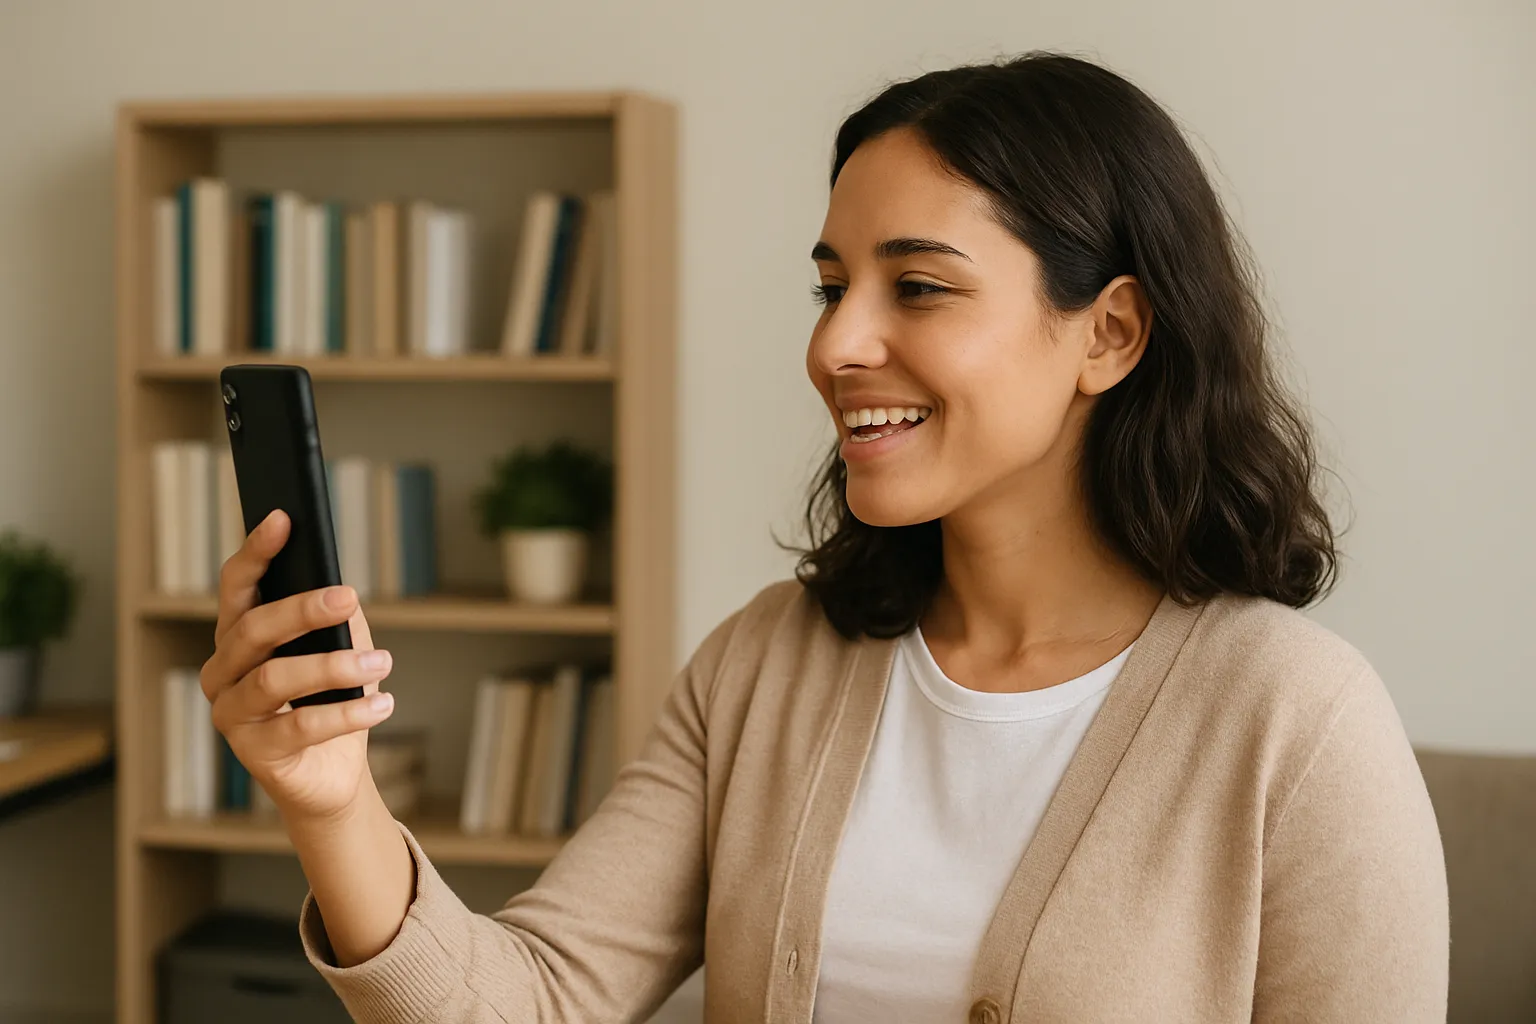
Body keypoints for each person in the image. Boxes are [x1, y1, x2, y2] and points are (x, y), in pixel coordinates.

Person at [201, 51, 1448, 1023]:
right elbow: (532, 998)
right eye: (829, 284)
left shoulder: (1299, 724)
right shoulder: (766, 665)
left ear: (1110, 333)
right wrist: (331, 798)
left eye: (917, 285)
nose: (836, 344)